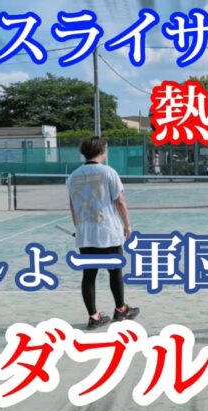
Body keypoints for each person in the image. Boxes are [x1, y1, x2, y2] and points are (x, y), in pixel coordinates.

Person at [67, 137, 140, 330]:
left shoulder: (73, 176)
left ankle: (94, 317)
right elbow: (120, 201)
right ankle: (121, 309)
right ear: (102, 151)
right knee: (115, 271)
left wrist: (79, 228)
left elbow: (73, 206)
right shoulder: (108, 172)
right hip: (108, 231)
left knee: (88, 275)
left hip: (86, 234)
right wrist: (127, 225)